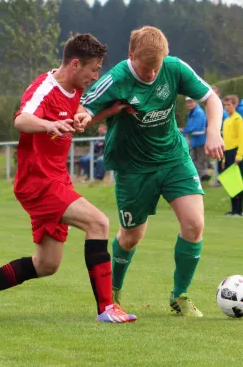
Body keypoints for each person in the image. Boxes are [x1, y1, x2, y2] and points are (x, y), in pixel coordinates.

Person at [0, 34, 137, 324]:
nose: (95, 76)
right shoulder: (44, 88)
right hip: (37, 182)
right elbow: (21, 120)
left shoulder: (75, 89)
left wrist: (107, 112)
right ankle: (106, 308)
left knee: (46, 264)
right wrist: (50, 124)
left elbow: (75, 119)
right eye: (93, 69)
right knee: (98, 223)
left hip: (57, 180)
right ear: (76, 64)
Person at [81, 26, 225, 317]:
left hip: (173, 158)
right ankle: (112, 294)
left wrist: (213, 132)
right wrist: (107, 112)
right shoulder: (116, 79)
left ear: (165, 57)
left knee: (194, 224)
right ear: (131, 55)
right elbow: (82, 114)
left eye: (155, 68)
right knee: (132, 235)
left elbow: (212, 99)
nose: (150, 75)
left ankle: (179, 296)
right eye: (145, 68)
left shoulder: (174, 68)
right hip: (133, 167)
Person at [222, 95, 243, 216]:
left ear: (235, 105)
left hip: (235, 151)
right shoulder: (226, 120)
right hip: (228, 152)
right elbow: (225, 140)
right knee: (231, 182)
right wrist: (224, 157)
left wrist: (239, 154)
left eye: (229, 105)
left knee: (237, 181)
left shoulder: (238, 119)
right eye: (225, 105)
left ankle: (239, 209)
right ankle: (233, 209)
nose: (227, 107)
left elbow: (241, 138)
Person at [181, 97, 210, 181]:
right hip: (194, 140)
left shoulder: (198, 112)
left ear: (196, 102)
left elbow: (195, 127)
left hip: (200, 140)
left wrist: (184, 129)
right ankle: (198, 177)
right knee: (193, 159)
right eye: (188, 102)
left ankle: (202, 176)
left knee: (200, 159)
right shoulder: (192, 112)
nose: (189, 104)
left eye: (191, 102)